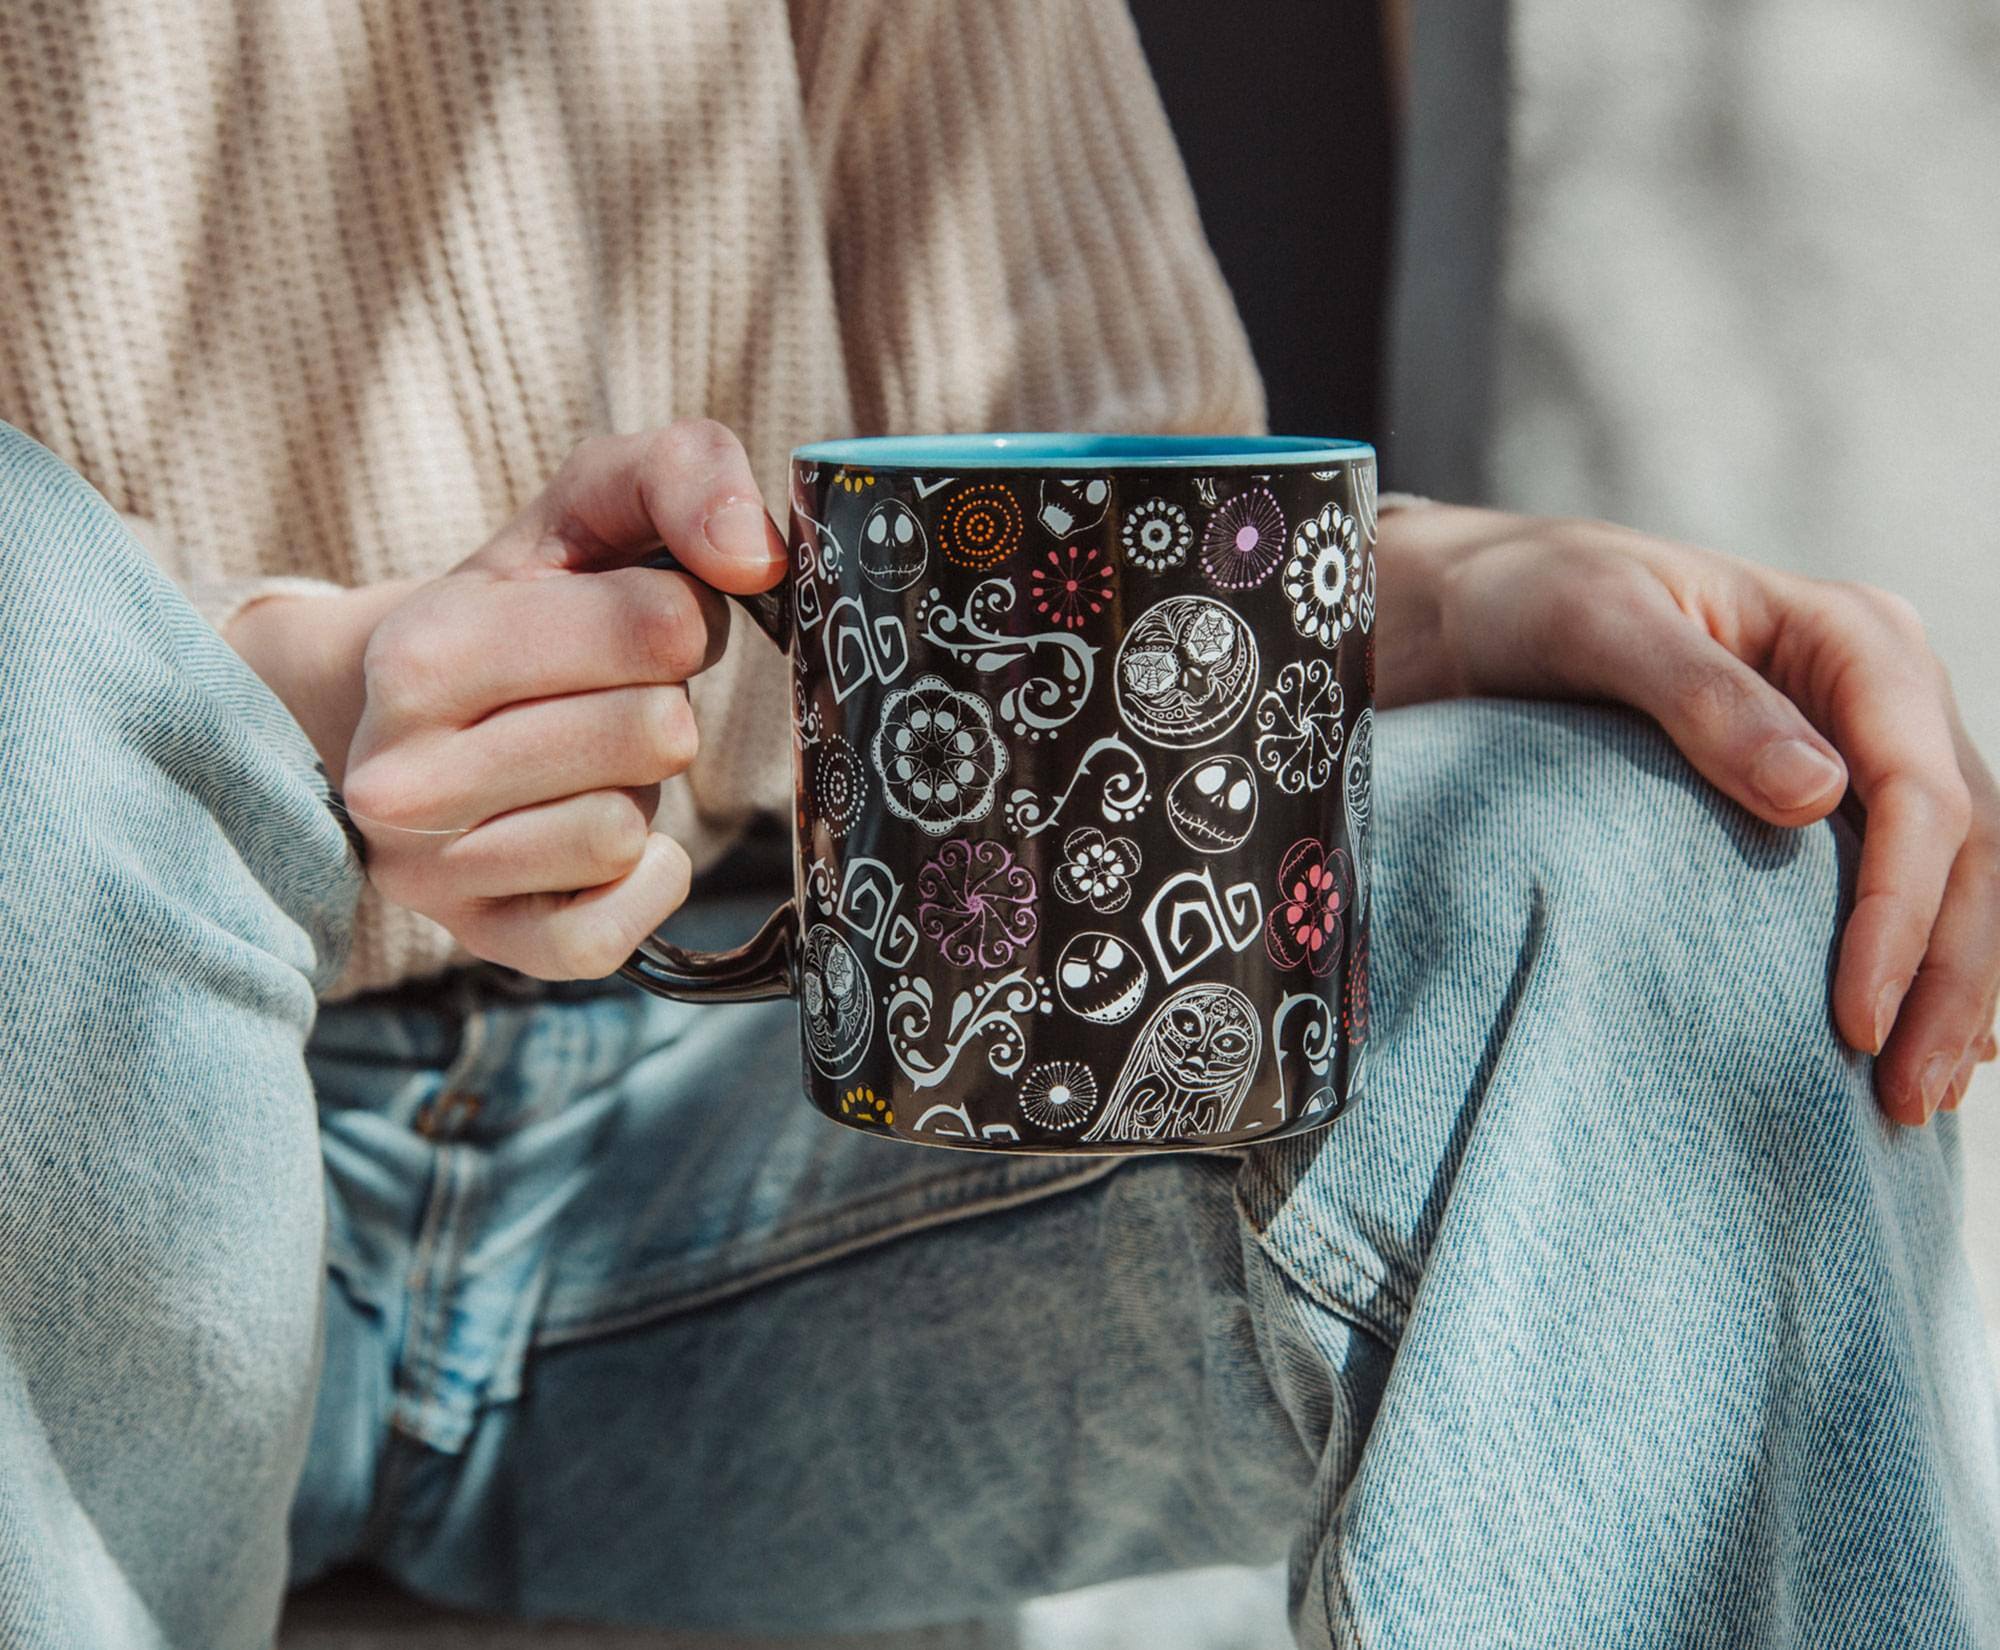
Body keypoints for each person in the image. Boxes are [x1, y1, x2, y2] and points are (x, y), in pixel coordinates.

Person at [1, 3, 1995, 1647]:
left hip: (701, 1136)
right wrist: (249, 702)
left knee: (1666, 859)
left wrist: (1442, 594)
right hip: (82, 1147)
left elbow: (1076, 503)